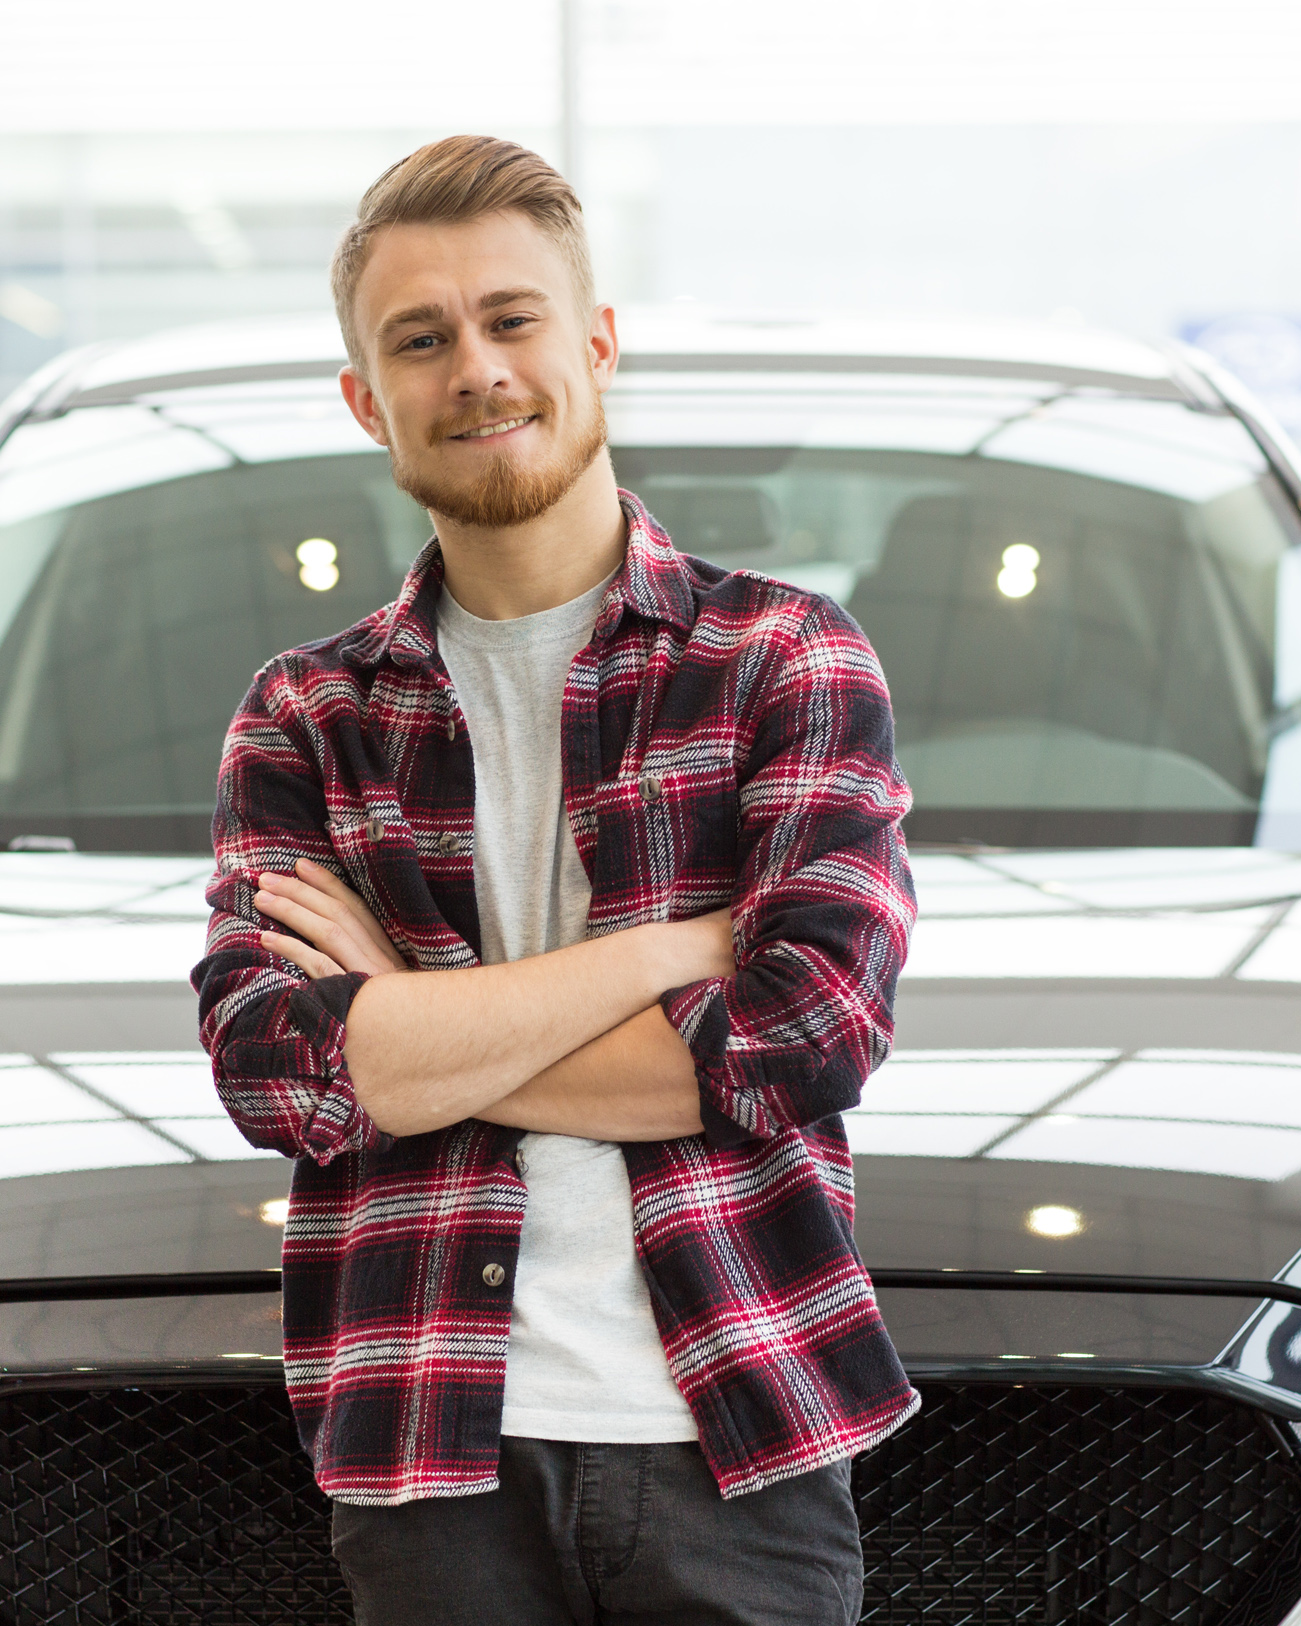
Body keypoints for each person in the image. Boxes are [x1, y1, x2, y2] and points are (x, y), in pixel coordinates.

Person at [192, 134, 916, 1626]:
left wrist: (409, 1021)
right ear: (365, 396)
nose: (477, 367)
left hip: (741, 1434)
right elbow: (284, 1076)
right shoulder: (304, 718)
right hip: (427, 1446)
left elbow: (800, 1037)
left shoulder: (784, 658)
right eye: (421, 337)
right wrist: (664, 950)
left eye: (512, 318)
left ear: (592, 341)